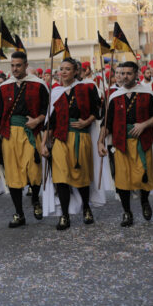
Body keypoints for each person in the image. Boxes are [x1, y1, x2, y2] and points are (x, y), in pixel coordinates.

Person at [0, 51, 49, 227]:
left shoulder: (38, 85)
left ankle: (35, 198)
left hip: (31, 132)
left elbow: (47, 109)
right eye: (12, 65)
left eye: (18, 65)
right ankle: (19, 213)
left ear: (26, 65)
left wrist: (37, 120)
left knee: (34, 169)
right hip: (9, 134)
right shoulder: (4, 87)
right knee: (13, 173)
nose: (15, 69)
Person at [98, 61, 153, 227]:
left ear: (136, 74)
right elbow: (106, 124)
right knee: (122, 180)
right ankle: (127, 212)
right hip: (121, 144)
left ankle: (145, 201)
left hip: (142, 142)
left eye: (128, 73)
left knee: (144, 176)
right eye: (122, 73)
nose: (124, 76)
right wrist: (100, 142)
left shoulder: (146, 94)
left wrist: (143, 125)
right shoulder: (114, 97)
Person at [41, 58, 101, 230]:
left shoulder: (87, 88)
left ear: (76, 71)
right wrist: (44, 144)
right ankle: (64, 215)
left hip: (79, 137)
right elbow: (50, 122)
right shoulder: (56, 92)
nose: (64, 72)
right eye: (62, 69)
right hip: (60, 139)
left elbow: (97, 110)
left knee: (81, 176)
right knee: (60, 178)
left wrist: (86, 122)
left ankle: (86, 208)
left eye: (68, 69)